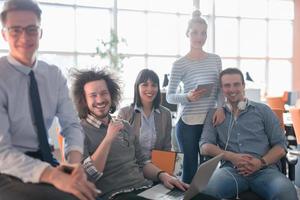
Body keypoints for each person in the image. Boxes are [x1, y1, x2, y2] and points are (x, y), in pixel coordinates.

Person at [71, 68, 219, 200]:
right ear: (84, 100)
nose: (100, 99)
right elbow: (87, 176)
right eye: (93, 95)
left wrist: (163, 175)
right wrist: (109, 138)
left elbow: (142, 163)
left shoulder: (125, 126)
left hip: (145, 188)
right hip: (116, 194)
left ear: (111, 95)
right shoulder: (77, 131)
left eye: (104, 93)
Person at [0, 0, 98, 200]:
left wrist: (74, 164)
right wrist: (53, 176)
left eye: (31, 29)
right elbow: (2, 152)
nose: (24, 37)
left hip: (46, 160)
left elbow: (71, 125)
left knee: (86, 195)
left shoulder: (53, 76)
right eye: (15, 30)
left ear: (40, 33)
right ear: (3, 34)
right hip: (7, 168)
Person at [200, 68, 298, 200]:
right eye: (227, 85)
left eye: (236, 84)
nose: (232, 89)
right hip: (231, 171)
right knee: (204, 193)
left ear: (243, 85)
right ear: (222, 89)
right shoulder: (215, 114)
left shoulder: (263, 110)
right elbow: (204, 146)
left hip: (265, 170)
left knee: (286, 193)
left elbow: (281, 146)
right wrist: (232, 156)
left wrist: (261, 163)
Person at [166, 10, 224, 183]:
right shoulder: (179, 64)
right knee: (190, 171)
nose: (200, 37)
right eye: (195, 33)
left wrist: (220, 107)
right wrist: (188, 97)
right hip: (188, 124)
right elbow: (170, 96)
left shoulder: (215, 59)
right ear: (187, 34)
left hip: (210, 120)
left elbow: (220, 88)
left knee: (208, 171)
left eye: (203, 33)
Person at [118, 69, 172, 158]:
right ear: (137, 87)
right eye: (145, 85)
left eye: (154, 85)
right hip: (132, 165)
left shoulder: (166, 114)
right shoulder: (125, 113)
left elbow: (167, 148)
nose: (150, 89)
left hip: (157, 165)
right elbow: (121, 147)